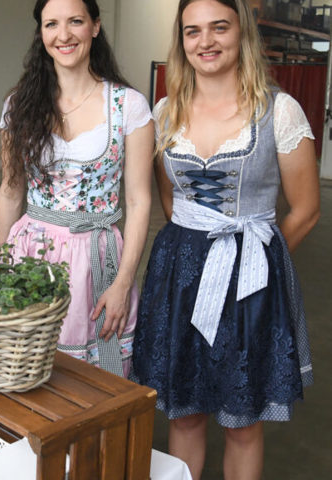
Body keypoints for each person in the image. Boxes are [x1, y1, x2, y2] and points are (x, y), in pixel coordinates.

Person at [131, 1, 319, 479]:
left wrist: (256, 265)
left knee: (242, 420)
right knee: (185, 410)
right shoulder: (165, 111)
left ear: (243, 33)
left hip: (250, 283)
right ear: (181, 41)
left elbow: (306, 210)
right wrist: (192, 254)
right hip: (178, 278)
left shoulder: (279, 110)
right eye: (193, 32)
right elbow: (171, 204)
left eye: (219, 27)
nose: (206, 41)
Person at [0, 0, 154, 378]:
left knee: (95, 385)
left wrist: (124, 281)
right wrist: (1, 266)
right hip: (31, 255)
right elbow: (10, 191)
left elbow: (138, 200)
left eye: (75, 22)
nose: (63, 35)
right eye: (52, 24)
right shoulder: (19, 104)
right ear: (41, 33)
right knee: (25, 370)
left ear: (95, 27)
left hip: (97, 259)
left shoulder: (129, 105)